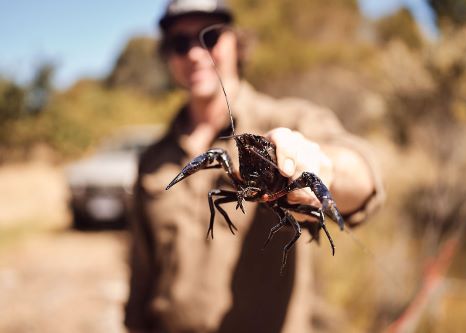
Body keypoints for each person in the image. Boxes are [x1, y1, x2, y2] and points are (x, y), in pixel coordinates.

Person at [124, 0, 384, 332]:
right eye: (179, 43)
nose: (194, 53)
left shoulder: (289, 119)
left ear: (236, 41)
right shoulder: (152, 159)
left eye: (210, 36)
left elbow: (361, 171)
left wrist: (324, 167)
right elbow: (141, 271)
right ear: (168, 56)